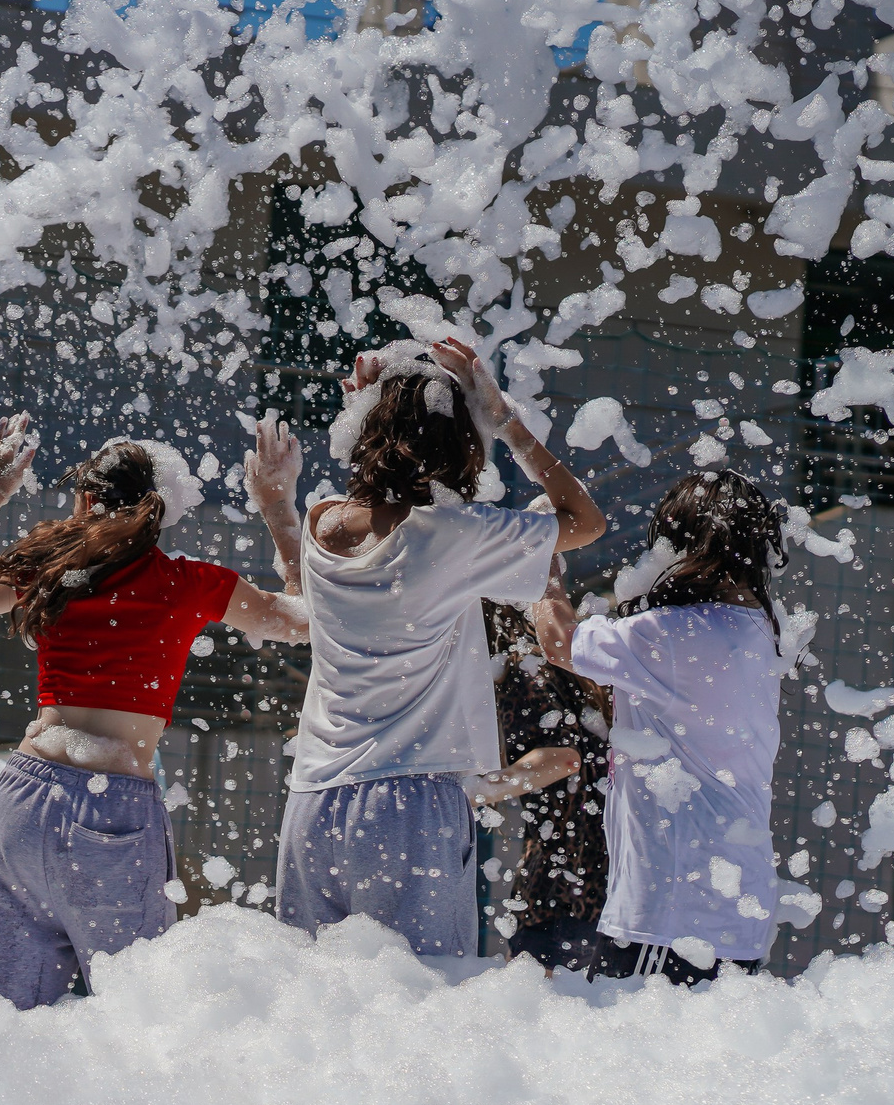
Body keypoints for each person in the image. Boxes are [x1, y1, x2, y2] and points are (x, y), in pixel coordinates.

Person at [0, 418, 309, 1008]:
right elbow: (306, 618)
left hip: (25, 797)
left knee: (1, 1019)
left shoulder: (50, 569)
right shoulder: (187, 583)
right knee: (135, 1017)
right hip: (110, 805)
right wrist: (276, 505)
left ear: (85, 498)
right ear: (161, 508)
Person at [275, 337, 606, 958]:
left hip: (313, 802)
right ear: (463, 443)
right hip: (410, 805)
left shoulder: (321, 523)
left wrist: (366, 411)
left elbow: (335, 548)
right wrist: (506, 423)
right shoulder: (455, 535)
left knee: (309, 1015)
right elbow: (584, 521)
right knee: (423, 1012)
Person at [564, 470, 791, 985]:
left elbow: (560, 642)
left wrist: (542, 569)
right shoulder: (758, 630)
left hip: (668, 916)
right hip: (734, 912)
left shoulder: (673, 633)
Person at [476, 595, 614, 973]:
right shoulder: (582, 674)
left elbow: (560, 760)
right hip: (607, 888)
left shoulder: (523, 670)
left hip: (558, 893)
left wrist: (473, 792)